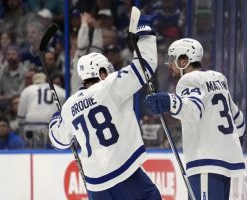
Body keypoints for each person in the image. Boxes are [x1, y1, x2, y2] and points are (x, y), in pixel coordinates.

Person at [48, 16, 162, 200]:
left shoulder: (70, 105)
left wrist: (55, 120)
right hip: (123, 171)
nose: (110, 72)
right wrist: (145, 35)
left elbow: (59, 141)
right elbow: (145, 66)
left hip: (95, 184)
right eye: (107, 70)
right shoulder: (110, 85)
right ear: (101, 73)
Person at [146, 38, 246, 200]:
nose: (170, 65)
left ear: (184, 61)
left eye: (173, 59)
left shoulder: (188, 80)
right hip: (225, 162)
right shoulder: (218, 78)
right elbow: (239, 120)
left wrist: (168, 101)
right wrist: (227, 144)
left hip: (205, 162)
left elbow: (193, 109)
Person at [17, 72, 65, 149]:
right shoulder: (60, 90)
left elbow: (21, 116)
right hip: (51, 124)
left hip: (31, 124)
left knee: (31, 148)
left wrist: (21, 129)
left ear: (33, 81)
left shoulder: (27, 90)